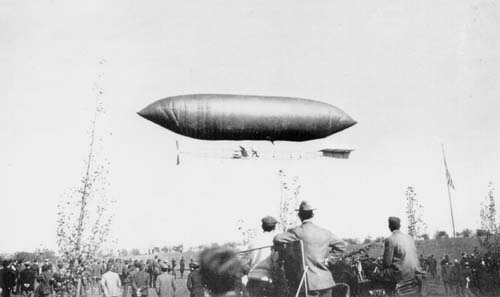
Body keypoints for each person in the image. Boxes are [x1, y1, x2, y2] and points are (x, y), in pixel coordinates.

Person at [274, 201, 347, 297]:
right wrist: (329, 260)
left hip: (308, 283)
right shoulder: (325, 232)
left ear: (299, 216)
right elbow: (342, 245)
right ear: (312, 215)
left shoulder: (297, 232)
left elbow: (277, 238)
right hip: (326, 281)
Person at [246, 216, 279, 297]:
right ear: (274, 228)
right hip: (266, 281)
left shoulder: (253, 241)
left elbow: (246, 262)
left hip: (252, 281)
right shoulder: (275, 242)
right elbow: (276, 263)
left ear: (262, 227)